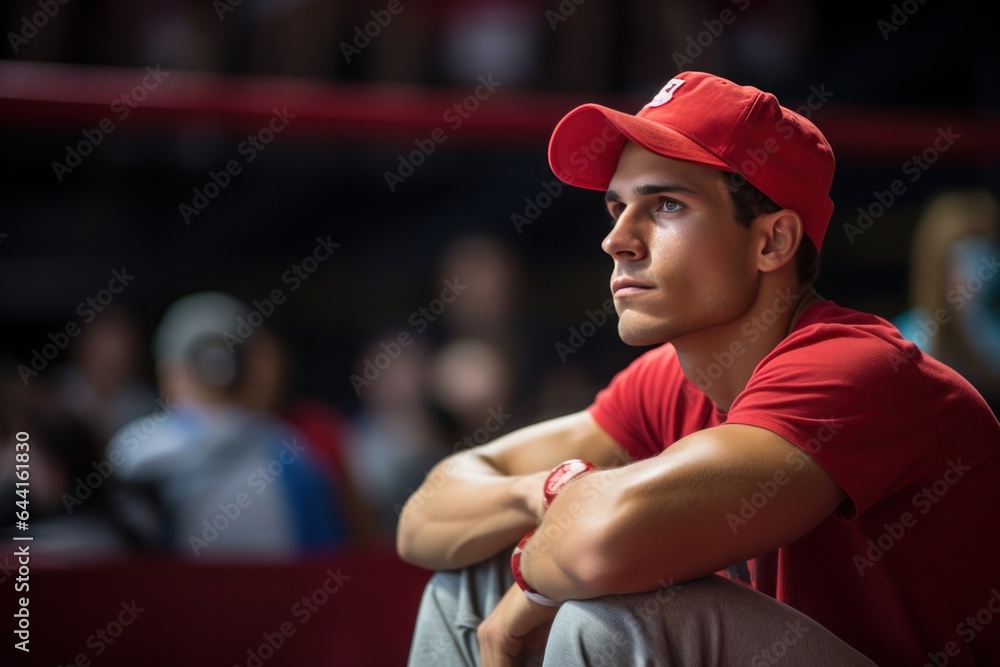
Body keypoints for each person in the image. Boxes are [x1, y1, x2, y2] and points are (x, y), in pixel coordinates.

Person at [397, 72, 1000, 666]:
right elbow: (424, 517)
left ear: (773, 242)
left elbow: (602, 543)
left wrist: (540, 576)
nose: (617, 240)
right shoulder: (670, 377)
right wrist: (548, 492)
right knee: (467, 586)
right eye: (616, 207)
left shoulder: (856, 368)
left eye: (665, 205)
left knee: (614, 616)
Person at [107, 292, 349, 558]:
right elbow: (327, 559)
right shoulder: (295, 455)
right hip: (280, 599)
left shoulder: (133, 450)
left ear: (170, 372)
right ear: (249, 371)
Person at [894, 190, 1000, 414]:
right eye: (965, 257)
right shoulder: (904, 341)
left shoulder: (991, 335)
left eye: (986, 255)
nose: (979, 274)